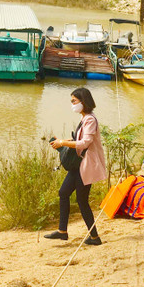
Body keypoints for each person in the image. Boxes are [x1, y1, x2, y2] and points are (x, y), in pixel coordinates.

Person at [45, 87, 108, 245]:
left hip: (85, 165)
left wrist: (63, 142)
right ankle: (62, 231)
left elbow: (86, 142)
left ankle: (94, 237)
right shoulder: (85, 118)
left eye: (74, 101)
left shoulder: (90, 120)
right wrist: (62, 142)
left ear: (83, 101)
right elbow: (79, 140)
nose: (72, 104)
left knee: (82, 200)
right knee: (64, 192)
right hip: (79, 164)